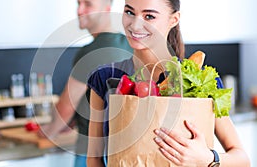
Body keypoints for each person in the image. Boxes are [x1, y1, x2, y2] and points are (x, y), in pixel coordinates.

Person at [86, 0, 250, 166]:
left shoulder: (197, 81)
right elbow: (94, 159)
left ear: (174, 20)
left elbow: (242, 160)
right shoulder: (104, 78)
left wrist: (207, 158)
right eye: (129, 12)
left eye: (149, 16)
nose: (135, 25)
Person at [38, 0, 133, 167]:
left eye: (88, 4)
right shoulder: (127, 44)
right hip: (124, 149)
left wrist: (49, 131)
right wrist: (74, 120)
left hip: (91, 151)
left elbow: (67, 105)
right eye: (79, 3)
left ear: (107, 9)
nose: (80, 10)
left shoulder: (93, 51)